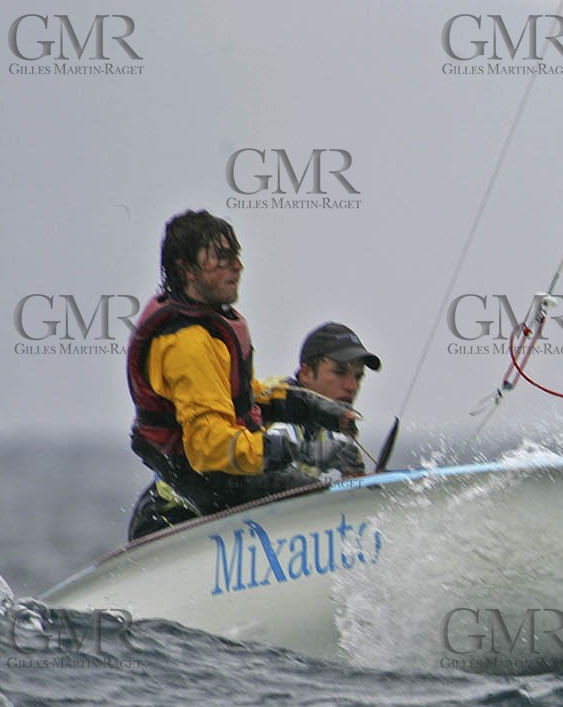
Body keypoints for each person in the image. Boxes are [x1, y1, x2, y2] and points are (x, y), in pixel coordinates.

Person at [125, 210, 356, 540]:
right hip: (206, 485)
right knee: (313, 495)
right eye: (221, 257)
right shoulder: (186, 344)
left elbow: (246, 398)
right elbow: (208, 447)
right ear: (185, 269)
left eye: (236, 256)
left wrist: (318, 410)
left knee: (308, 488)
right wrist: (296, 452)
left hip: (222, 479)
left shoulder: (210, 330)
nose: (237, 266)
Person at [273, 322, 382, 480]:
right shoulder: (277, 424)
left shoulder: (332, 431)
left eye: (358, 377)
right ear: (306, 373)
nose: (352, 386)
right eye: (340, 372)